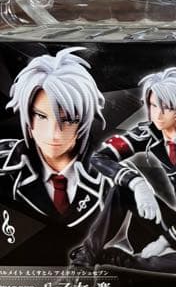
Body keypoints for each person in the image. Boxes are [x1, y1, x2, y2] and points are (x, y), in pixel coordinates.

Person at [71, 66, 176, 278]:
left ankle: (119, 259)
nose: (157, 114)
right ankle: (88, 254)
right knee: (122, 190)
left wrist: (164, 241)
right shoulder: (150, 133)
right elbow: (99, 158)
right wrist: (137, 183)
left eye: (166, 108)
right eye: (153, 105)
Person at [0, 49, 109, 250]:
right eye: (41, 116)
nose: (54, 134)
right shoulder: (5, 167)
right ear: (28, 117)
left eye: (68, 120)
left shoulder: (112, 174)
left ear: (83, 121)